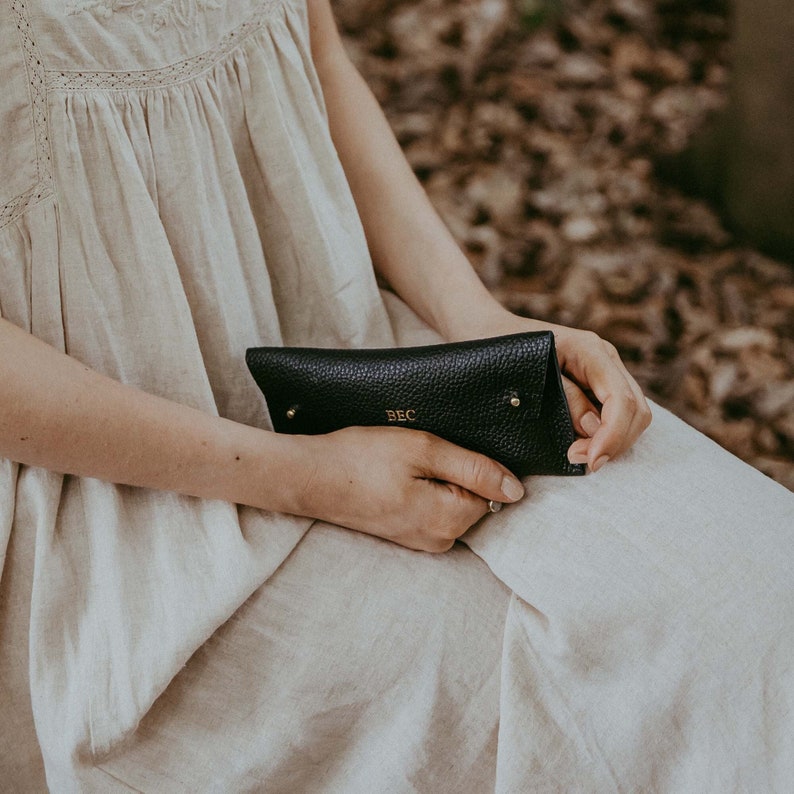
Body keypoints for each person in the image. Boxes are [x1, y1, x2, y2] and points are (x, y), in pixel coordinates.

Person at [0, 1, 791, 791]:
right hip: (118, 499)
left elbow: (314, 64)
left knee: (752, 593)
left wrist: (483, 329)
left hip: (357, 359)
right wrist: (306, 477)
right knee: (582, 695)